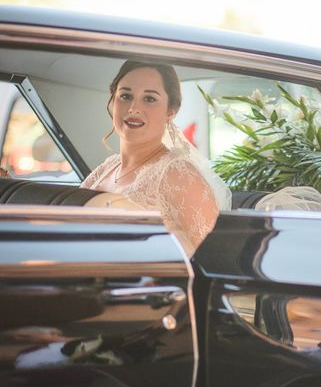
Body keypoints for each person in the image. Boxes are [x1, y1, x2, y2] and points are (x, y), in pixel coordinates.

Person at [80, 60, 231, 255]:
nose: (133, 108)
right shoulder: (107, 168)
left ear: (171, 111)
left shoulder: (178, 174)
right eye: (125, 96)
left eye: (149, 99)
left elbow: (214, 257)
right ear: (112, 101)